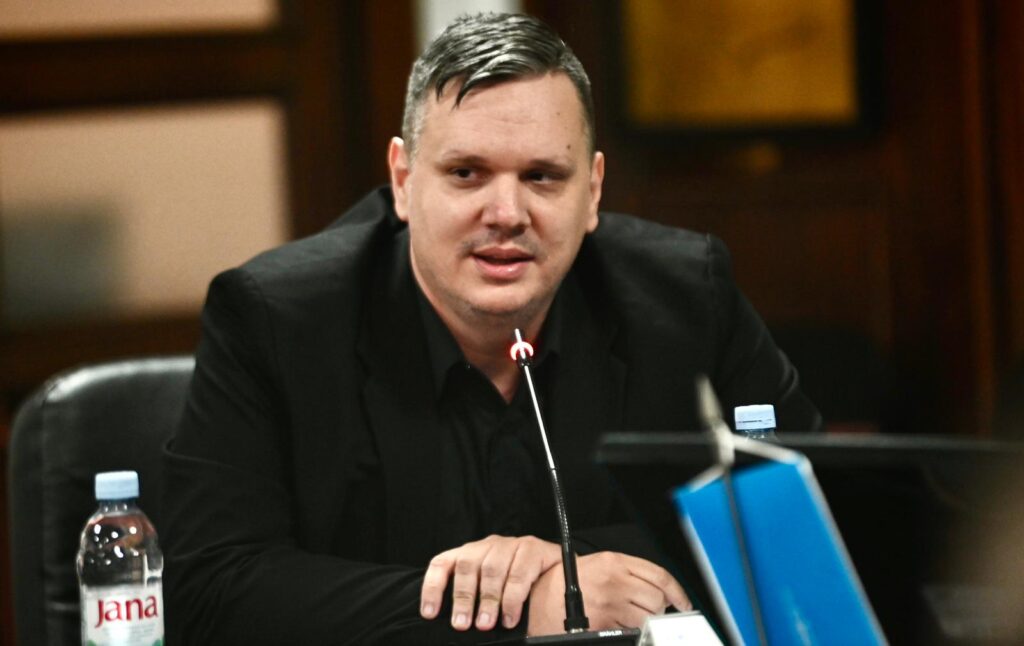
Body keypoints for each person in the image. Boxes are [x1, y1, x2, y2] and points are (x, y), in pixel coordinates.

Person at [162, 12, 820, 645]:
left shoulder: (684, 296)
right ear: (403, 179)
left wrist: (568, 566)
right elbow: (210, 591)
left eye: (542, 176)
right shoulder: (277, 318)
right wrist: (520, 610)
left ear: (592, 191)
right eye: (466, 174)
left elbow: (813, 523)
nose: (506, 213)